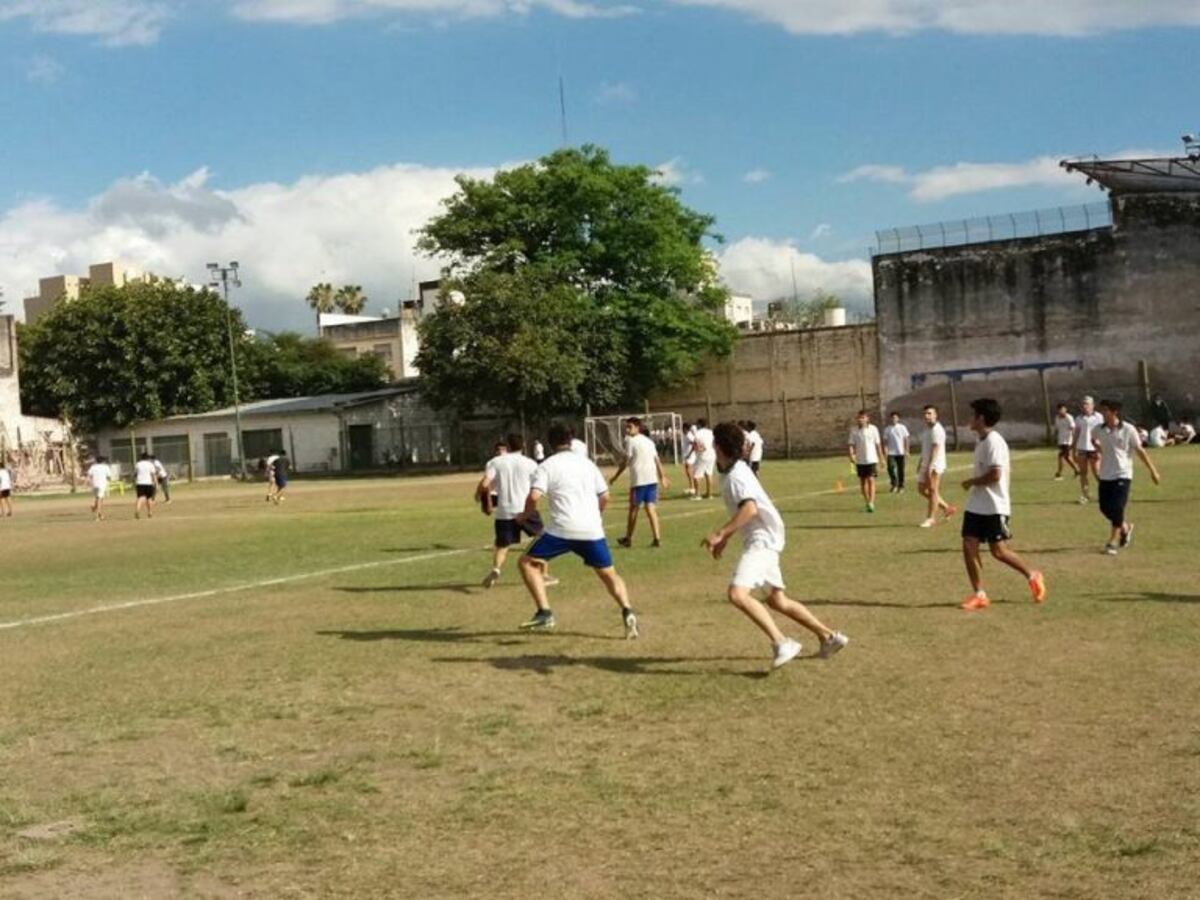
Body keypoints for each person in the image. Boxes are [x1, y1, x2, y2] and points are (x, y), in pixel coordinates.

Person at [701, 421, 848, 669]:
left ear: (716, 445)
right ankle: (829, 636)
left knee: (737, 594)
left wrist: (720, 533)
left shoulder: (736, 476)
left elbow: (750, 509)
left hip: (762, 540)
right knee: (778, 601)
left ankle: (782, 642)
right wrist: (725, 538)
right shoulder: (730, 471)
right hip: (766, 537)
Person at [516, 423, 637, 637]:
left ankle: (544, 612)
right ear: (570, 441)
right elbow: (605, 496)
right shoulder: (587, 464)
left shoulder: (547, 466)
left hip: (561, 529)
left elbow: (534, 496)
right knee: (609, 574)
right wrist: (596, 516)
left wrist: (525, 515)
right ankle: (627, 610)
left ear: (550, 444)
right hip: (591, 530)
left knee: (526, 562)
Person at [958, 398, 1047, 611]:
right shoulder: (981, 440)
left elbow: (995, 475)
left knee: (999, 551)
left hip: (994, 506)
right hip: (976, 505)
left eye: (973, 415)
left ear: (981, 418)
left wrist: (971, 482)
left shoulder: (994, 441)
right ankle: (980, 594)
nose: (970, 419)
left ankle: (1032, 575)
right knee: (968, 545)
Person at [478, 435, 551, 587]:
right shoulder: (530, 463)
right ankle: (543, 574)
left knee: (502, 546)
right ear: (523, 445)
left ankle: (496, 569)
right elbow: (539, 484)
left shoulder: (495, 462)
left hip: (504, 511)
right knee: (542, 538)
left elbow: (485, 485)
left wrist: (485, 501)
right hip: (525, 509)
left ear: (508, 446)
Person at [1092, 399, 1161, 556]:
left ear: (1114, 412)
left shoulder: (1128, 429)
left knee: (1117, 507)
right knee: (1104, 508)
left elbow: (1140, 451)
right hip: (1105, 474)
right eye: (1102, 410)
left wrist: (1153, 471)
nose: (1103, 413)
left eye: (1105, 410)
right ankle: (1125, 527)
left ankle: (1112, 542)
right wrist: (1099, 449)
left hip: (1123, 474)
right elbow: (1093, 439)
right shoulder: (1098, 429)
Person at [610, 417, 670, 548]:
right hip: (652, 479)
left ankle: (628, 539)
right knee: (650, 508)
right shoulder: (649, 441)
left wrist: (615, 477)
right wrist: (662, 477)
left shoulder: (631, 441)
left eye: (630, 427)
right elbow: (657, 460)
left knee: (633, 509)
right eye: (626, 427)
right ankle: (657, 538)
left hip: (639, 480)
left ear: (638, 428)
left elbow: (625, 462)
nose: (627, 430)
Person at [917, 404, 955, 528]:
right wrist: (921, 462)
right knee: (921, 489)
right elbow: (925, 448)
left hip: (935, 464)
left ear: (935, 415)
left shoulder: (937, 430)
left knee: (933, 490)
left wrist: (931, 465)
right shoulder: (927, 429)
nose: (927, 416)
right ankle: (946, 508)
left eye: (929, 413)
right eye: (925, 413)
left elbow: (935, 448)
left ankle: (931, 518)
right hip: (926, 462)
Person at [848, 410, 884, 513]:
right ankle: (867, 502)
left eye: (863, 418)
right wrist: (851, 454)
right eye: (859, 418)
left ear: (867, 419)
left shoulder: (873, 429)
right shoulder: (854, 430)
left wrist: (882, 458)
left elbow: (878, 444)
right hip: (860, 460)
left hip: (871, 459)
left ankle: (872, 502)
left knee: (871, 479)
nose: (861, 420)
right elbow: (851, 444)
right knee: (863, 481)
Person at [1073, 396, 1104, 504]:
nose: (1085, 406)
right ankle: (1085, 495)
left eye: (1087, 404)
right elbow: (1076, 434)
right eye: (1083, 404)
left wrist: (1101, 448)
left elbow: (1102, 431)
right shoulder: (1078, 418)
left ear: (1092, 405)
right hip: (1082, 447)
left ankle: (1105, 493)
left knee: (1097, 473)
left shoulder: (1099, 417)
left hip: (1094, 448)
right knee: (1083, 473)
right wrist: (1073, 449)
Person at [882, 411, 910, 494]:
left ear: (898, 418)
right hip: (891, 452)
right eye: (892, 417)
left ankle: (901, 486)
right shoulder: (887, 429)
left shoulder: (902, 427)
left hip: (901, 452)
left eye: (895, 417)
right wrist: (885, 451)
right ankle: (894, 484)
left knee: (901, 469)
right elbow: (885, 441)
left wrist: (906, 450)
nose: (893, 419)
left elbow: (906, 439)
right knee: (890, 468)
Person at [691, 418, 717, 500]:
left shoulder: (698, 433)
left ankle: (697, 495)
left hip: (702, 455)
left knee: (696, 475)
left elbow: (696, 445)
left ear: (699, 424)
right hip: (712, 454)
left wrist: (698, 450)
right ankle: (709, 494)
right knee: (709, 474)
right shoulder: (711, 432)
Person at [1053, 403, 1080, 481]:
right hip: (1061, 440)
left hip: (1068, 441)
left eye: (1062, 409)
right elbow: (1057, 429)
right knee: (1067, 457)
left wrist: (1073, 440)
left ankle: (1059, 474)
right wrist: (1055, 437)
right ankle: (1077, 471)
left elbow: (1073, 428)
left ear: (1065, 409)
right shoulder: (1057, 418)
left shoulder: (1069, 417)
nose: (1061, 411)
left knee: (1061, 456)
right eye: (1059, 409)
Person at [134, 451, 158, 519]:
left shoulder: (138, 464)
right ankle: (150, 512)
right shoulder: (150, 464)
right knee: (149, 498)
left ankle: (137, 510)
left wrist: (135, 482)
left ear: (141, 458)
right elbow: (153, 475)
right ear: (147, 458)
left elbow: (135, 474)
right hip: (148, 483)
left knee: (140, 497)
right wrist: (156, 483)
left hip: (139, 483)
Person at [87, 455, 112, 521]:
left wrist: (89, 481)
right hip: (102, 485)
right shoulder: (105, 467)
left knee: (98, 498)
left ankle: (97, 510)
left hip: (94, 484)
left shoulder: (93, 467)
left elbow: (89, 475)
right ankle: (98, 515)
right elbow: (109, 476)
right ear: (103, 461)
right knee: (100, 499)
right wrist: (109, 480)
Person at [682, 421, 698, 496]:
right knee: (687, 471)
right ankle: (691, 486)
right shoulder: (685, 435)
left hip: (690, 456)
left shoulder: (689, 435)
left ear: (685, 428)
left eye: (683, 428)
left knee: (689, 471)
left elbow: (694, 444)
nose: (682, 429)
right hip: (686, 455)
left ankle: (693, 488)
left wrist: (689, 454)